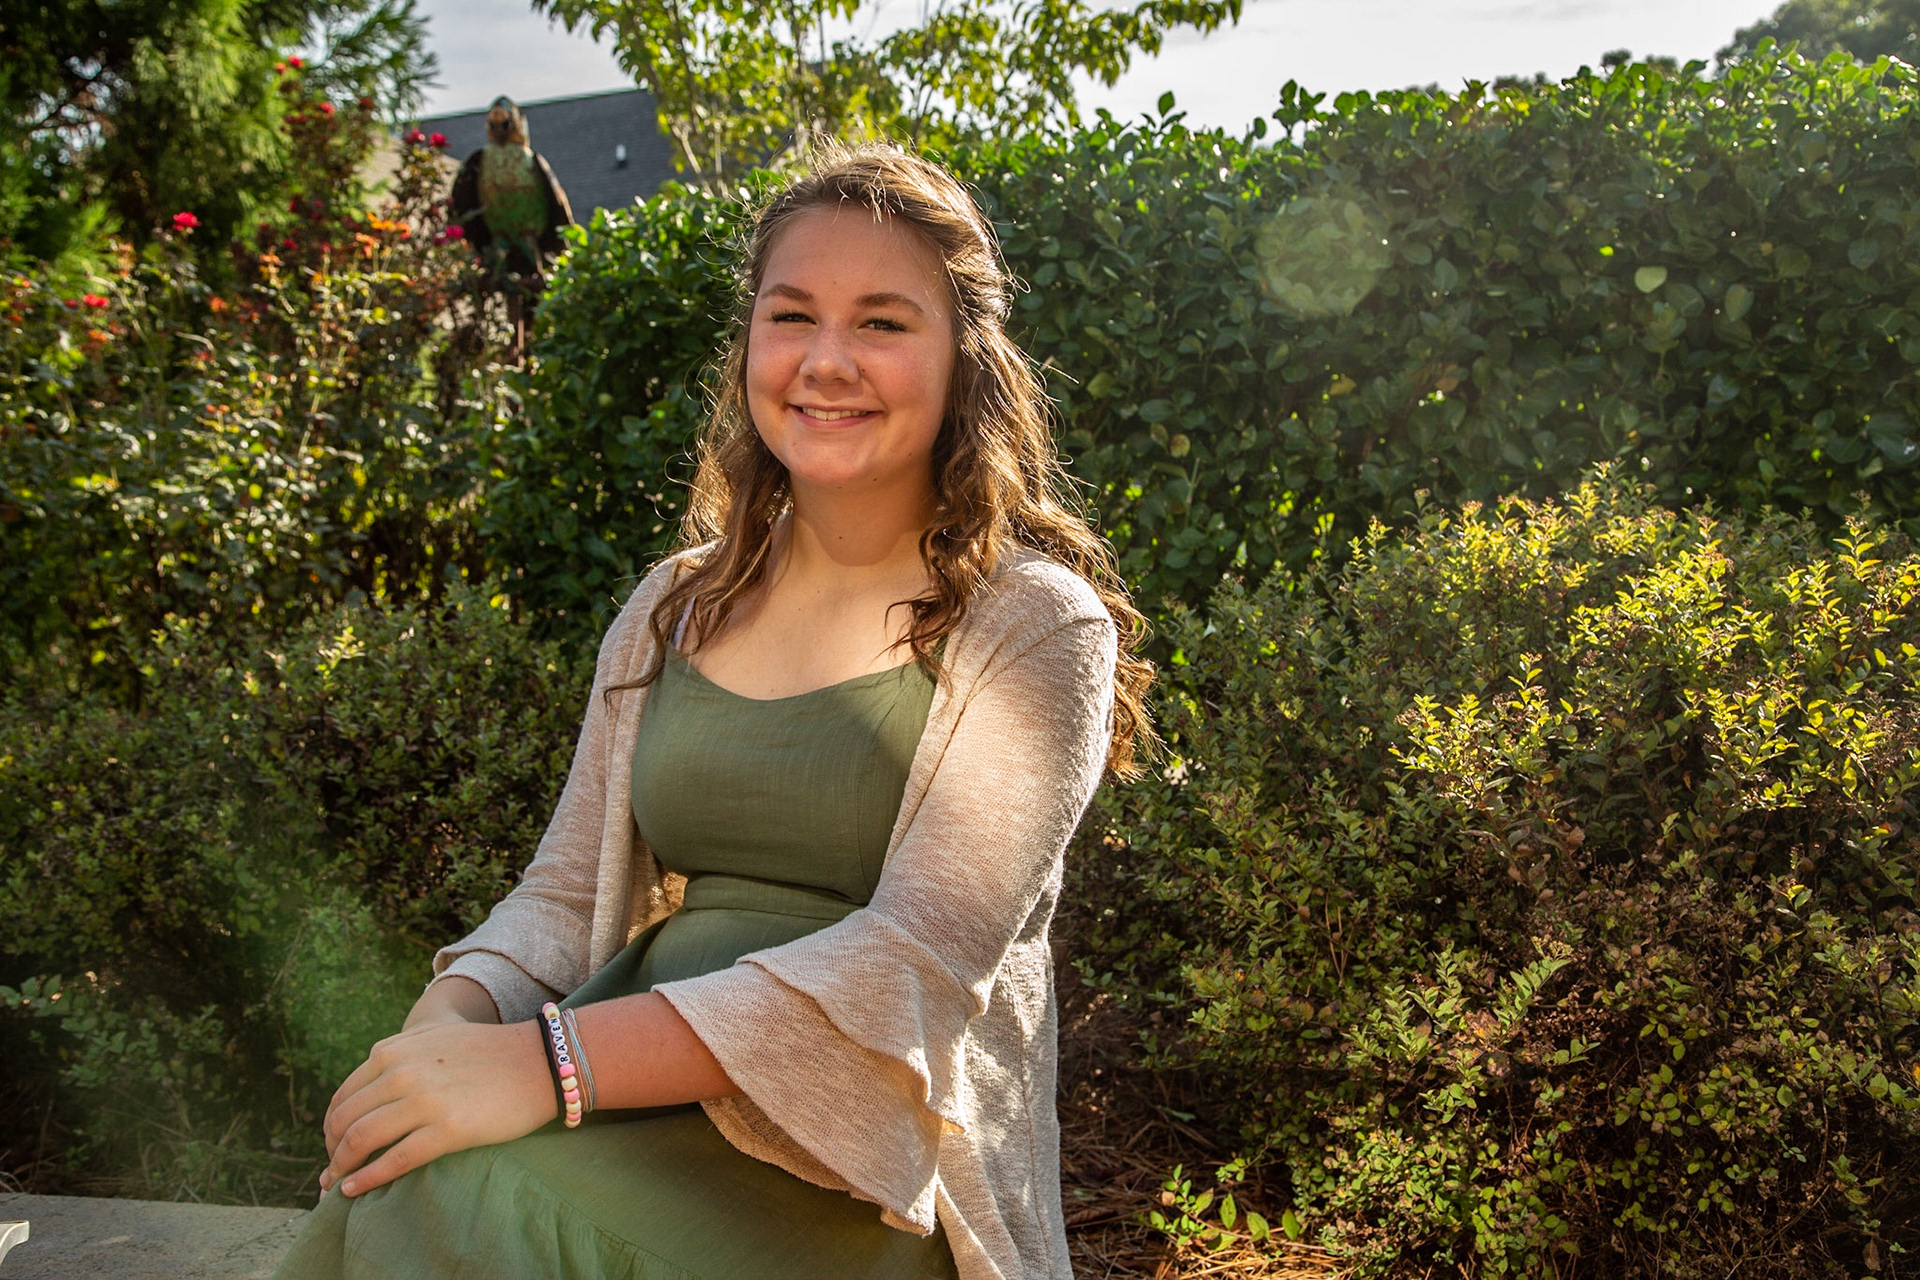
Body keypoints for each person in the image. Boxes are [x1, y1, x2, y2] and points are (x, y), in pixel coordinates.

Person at [275, 142, 1154, 1280]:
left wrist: (549, 1066)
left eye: (883, 322)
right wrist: (444, 1033)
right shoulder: (674, 606)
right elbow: (561, 891)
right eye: (791, 316)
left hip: (863, 1165)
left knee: (474, 1196)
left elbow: (913, 961)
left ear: (965, 361)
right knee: (402, 1168)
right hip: (624, 1091)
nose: (826, 360)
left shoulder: (1035, 626)